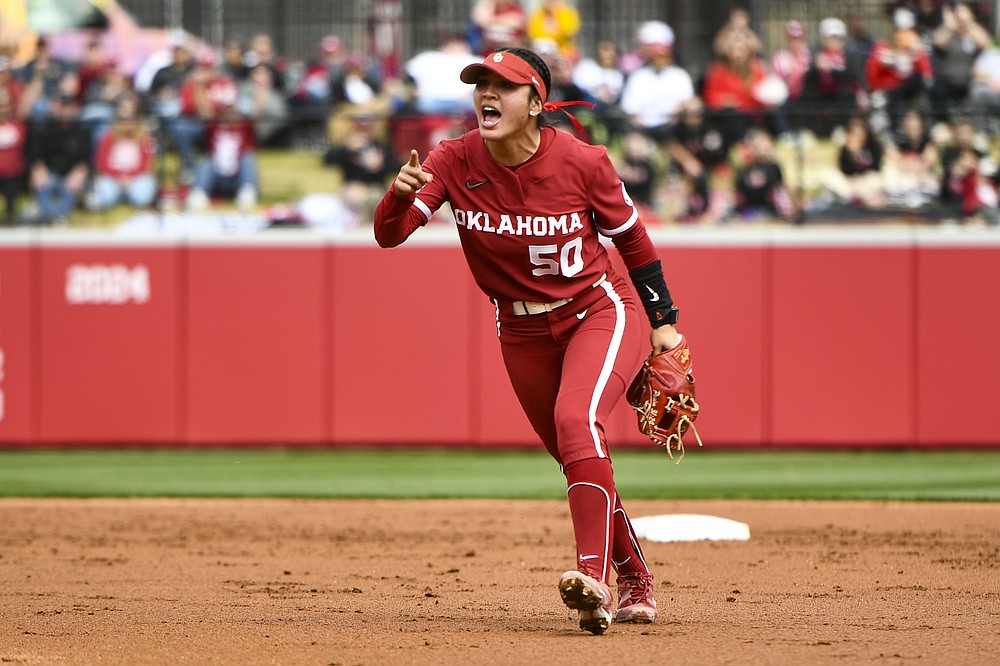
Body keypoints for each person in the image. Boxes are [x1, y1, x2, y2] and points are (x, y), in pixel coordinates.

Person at [374, 46, 684, 635]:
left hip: (597, 307)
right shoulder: (451, 157)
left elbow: (635, 243)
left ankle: (589, 576)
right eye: (480, 84)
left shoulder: (583, 162)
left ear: (537, 102)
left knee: (577, 423)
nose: (487, 95)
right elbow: (391, 236)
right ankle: (635, 577)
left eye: (504, 86)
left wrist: (664, 321)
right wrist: (397, 193)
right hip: (518, 327)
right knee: (574, 451)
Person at [185, 81, 260, 212]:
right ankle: (199, 193)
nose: (230, 111)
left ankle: (247, 192)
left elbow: (258, 111)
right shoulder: (214, 125)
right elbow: (204, 110)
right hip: (218, 178)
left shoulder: (245, 126)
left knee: (248, 157)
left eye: (232, 107)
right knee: (208, 159)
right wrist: (199, 88)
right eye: (227, 108)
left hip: (238, 178)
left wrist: (260, 87)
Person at [618, 21, 694, 144]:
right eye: (656, 54)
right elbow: (631, 111)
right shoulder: (637, 77)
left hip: (674, 134)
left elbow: (688, 106)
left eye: (664, 54)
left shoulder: (680, 76)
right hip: (644, 133)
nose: (661, 58)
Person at [26, 93, 92, 225]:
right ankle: (47, 216)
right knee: (43, 184)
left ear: (75, 109)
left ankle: (58, 218)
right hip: (49, 173)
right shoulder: (42, 128)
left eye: (68, 107)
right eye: (62, 107)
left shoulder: (83, 131)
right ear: (54, 108)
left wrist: (81, 171)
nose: (65, 111)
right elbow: (34, 155)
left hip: (71, 175)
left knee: (70, 187)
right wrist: (38, 168)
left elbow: (87, 159)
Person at [800, 17, 866, 138]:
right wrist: (816, 68)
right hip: (821, 94)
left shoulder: (849, 55)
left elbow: (854, 75)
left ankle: (841, 129)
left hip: (840, 95)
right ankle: (810, 131)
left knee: (847, 96)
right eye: (830, 37)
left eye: (837, 37)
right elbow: (806, 77)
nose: (833, 41)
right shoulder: (815, 53)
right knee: (808, 95)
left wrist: (832, 70)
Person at [667, 96, 731, 221]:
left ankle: (707, 211)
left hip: (710, 169)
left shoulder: (710, 127)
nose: (692, 117)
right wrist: (687, 161)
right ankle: (688, 212)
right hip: (686, 171)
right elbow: (672, 145)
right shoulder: (679, 128)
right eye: (688, 113)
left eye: (696, 113)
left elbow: (717, 153)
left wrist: (699, 166)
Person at [89, 96, 158, 211]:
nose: (127, 123)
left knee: (144, 189)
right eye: (123, 119)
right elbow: (101, 163)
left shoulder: (146, 138)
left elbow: (149, 161)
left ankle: (128, 198)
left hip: (136, 179)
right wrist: (118, 177)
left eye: (131, 119)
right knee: (104, 189)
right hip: (113, 179)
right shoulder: (107, 136)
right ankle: (112, 198)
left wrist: (130, 177)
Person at [928, 2, 990, 121]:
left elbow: (985, 42)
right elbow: (938, 41)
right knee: (937, 90)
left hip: (967, 83)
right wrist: (949, 25)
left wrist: (968, 22)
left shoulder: (972, 36)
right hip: (946, 82)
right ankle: (944, 123)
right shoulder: (948, 34)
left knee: (978, 91)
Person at [732, 128, 799, 222]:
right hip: (748, 210)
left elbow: (782, 188)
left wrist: (793, 206)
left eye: (766, 144)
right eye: (759, 145)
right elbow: (738, 192)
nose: (763, 148)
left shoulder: (773, 167)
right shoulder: (747, 167)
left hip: (768, 209)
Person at [0, 87, 27, 225]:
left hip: (12, 173)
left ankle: (10, 217)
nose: (2, 110)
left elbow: (25, 105)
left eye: (5, 106)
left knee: (11, 197)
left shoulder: (18, 124)